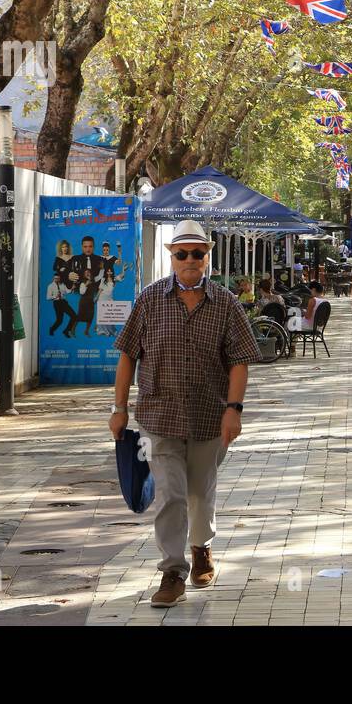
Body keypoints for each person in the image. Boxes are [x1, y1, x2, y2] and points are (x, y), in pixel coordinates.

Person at [110, 219, 256, 608]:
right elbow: (127, 355)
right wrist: (118, 408)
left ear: (207, 256)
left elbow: (241, 360)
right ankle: (172, 572)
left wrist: (234, 410)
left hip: (210, 415)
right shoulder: (149, 300)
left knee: (199, 491)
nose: (190, 260)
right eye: (182, 253)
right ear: (171, 258)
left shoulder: (225, 303)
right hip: (161, 415)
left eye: (198, 253)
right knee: (172, 493)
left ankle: (201, 549)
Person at [47, 272, 75, 336]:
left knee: (74, 316)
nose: (56, 280)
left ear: (60, 279)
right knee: (59, 320)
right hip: (57, 303)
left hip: (63, 302)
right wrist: (55, 296)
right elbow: (48, 297)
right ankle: (52, 329)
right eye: (55, 279)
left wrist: (72, 288)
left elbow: (67, 291)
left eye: (58, 279)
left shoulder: (62, 285)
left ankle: (66, 330)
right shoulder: (50, 286)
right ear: (53, 279)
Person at [76, 267, 98, 336]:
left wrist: (95, 298)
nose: (87, 273)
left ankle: (86, 331)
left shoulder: (93, 281)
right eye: (86, 273)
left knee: (90, 317)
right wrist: (86, 284)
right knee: (79, 316)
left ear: (90, 273)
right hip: (84, 302)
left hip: (91, 302)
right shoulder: (83, 282)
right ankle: (73, 329)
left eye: (88, 272)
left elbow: (100, 276)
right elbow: (81, 292)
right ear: (84, 275)